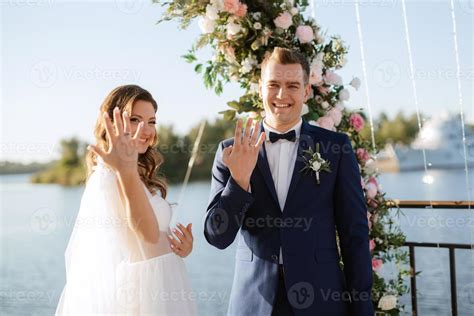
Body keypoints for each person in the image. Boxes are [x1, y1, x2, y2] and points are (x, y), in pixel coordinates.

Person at [204, 47, 373, 315]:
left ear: (306, 91)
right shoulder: (230, 151)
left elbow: (355, 236)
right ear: (260, 88)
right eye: (273, 85)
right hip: (254, 303)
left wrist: (363, 310)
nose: (282, 95)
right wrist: (238, 181)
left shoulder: (336, 148)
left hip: (322, 301)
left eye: (292, 85)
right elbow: (217, 237)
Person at [55, 85, 197, 315]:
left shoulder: (133, 173)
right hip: (144, 295)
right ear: (112, 122)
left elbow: (149, 233)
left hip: (166, 279)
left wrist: (179, 247)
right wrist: (127, 170)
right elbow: (146, 235)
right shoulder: (110, 175)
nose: (146, 129)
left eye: (152, 121)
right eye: (135, 119)